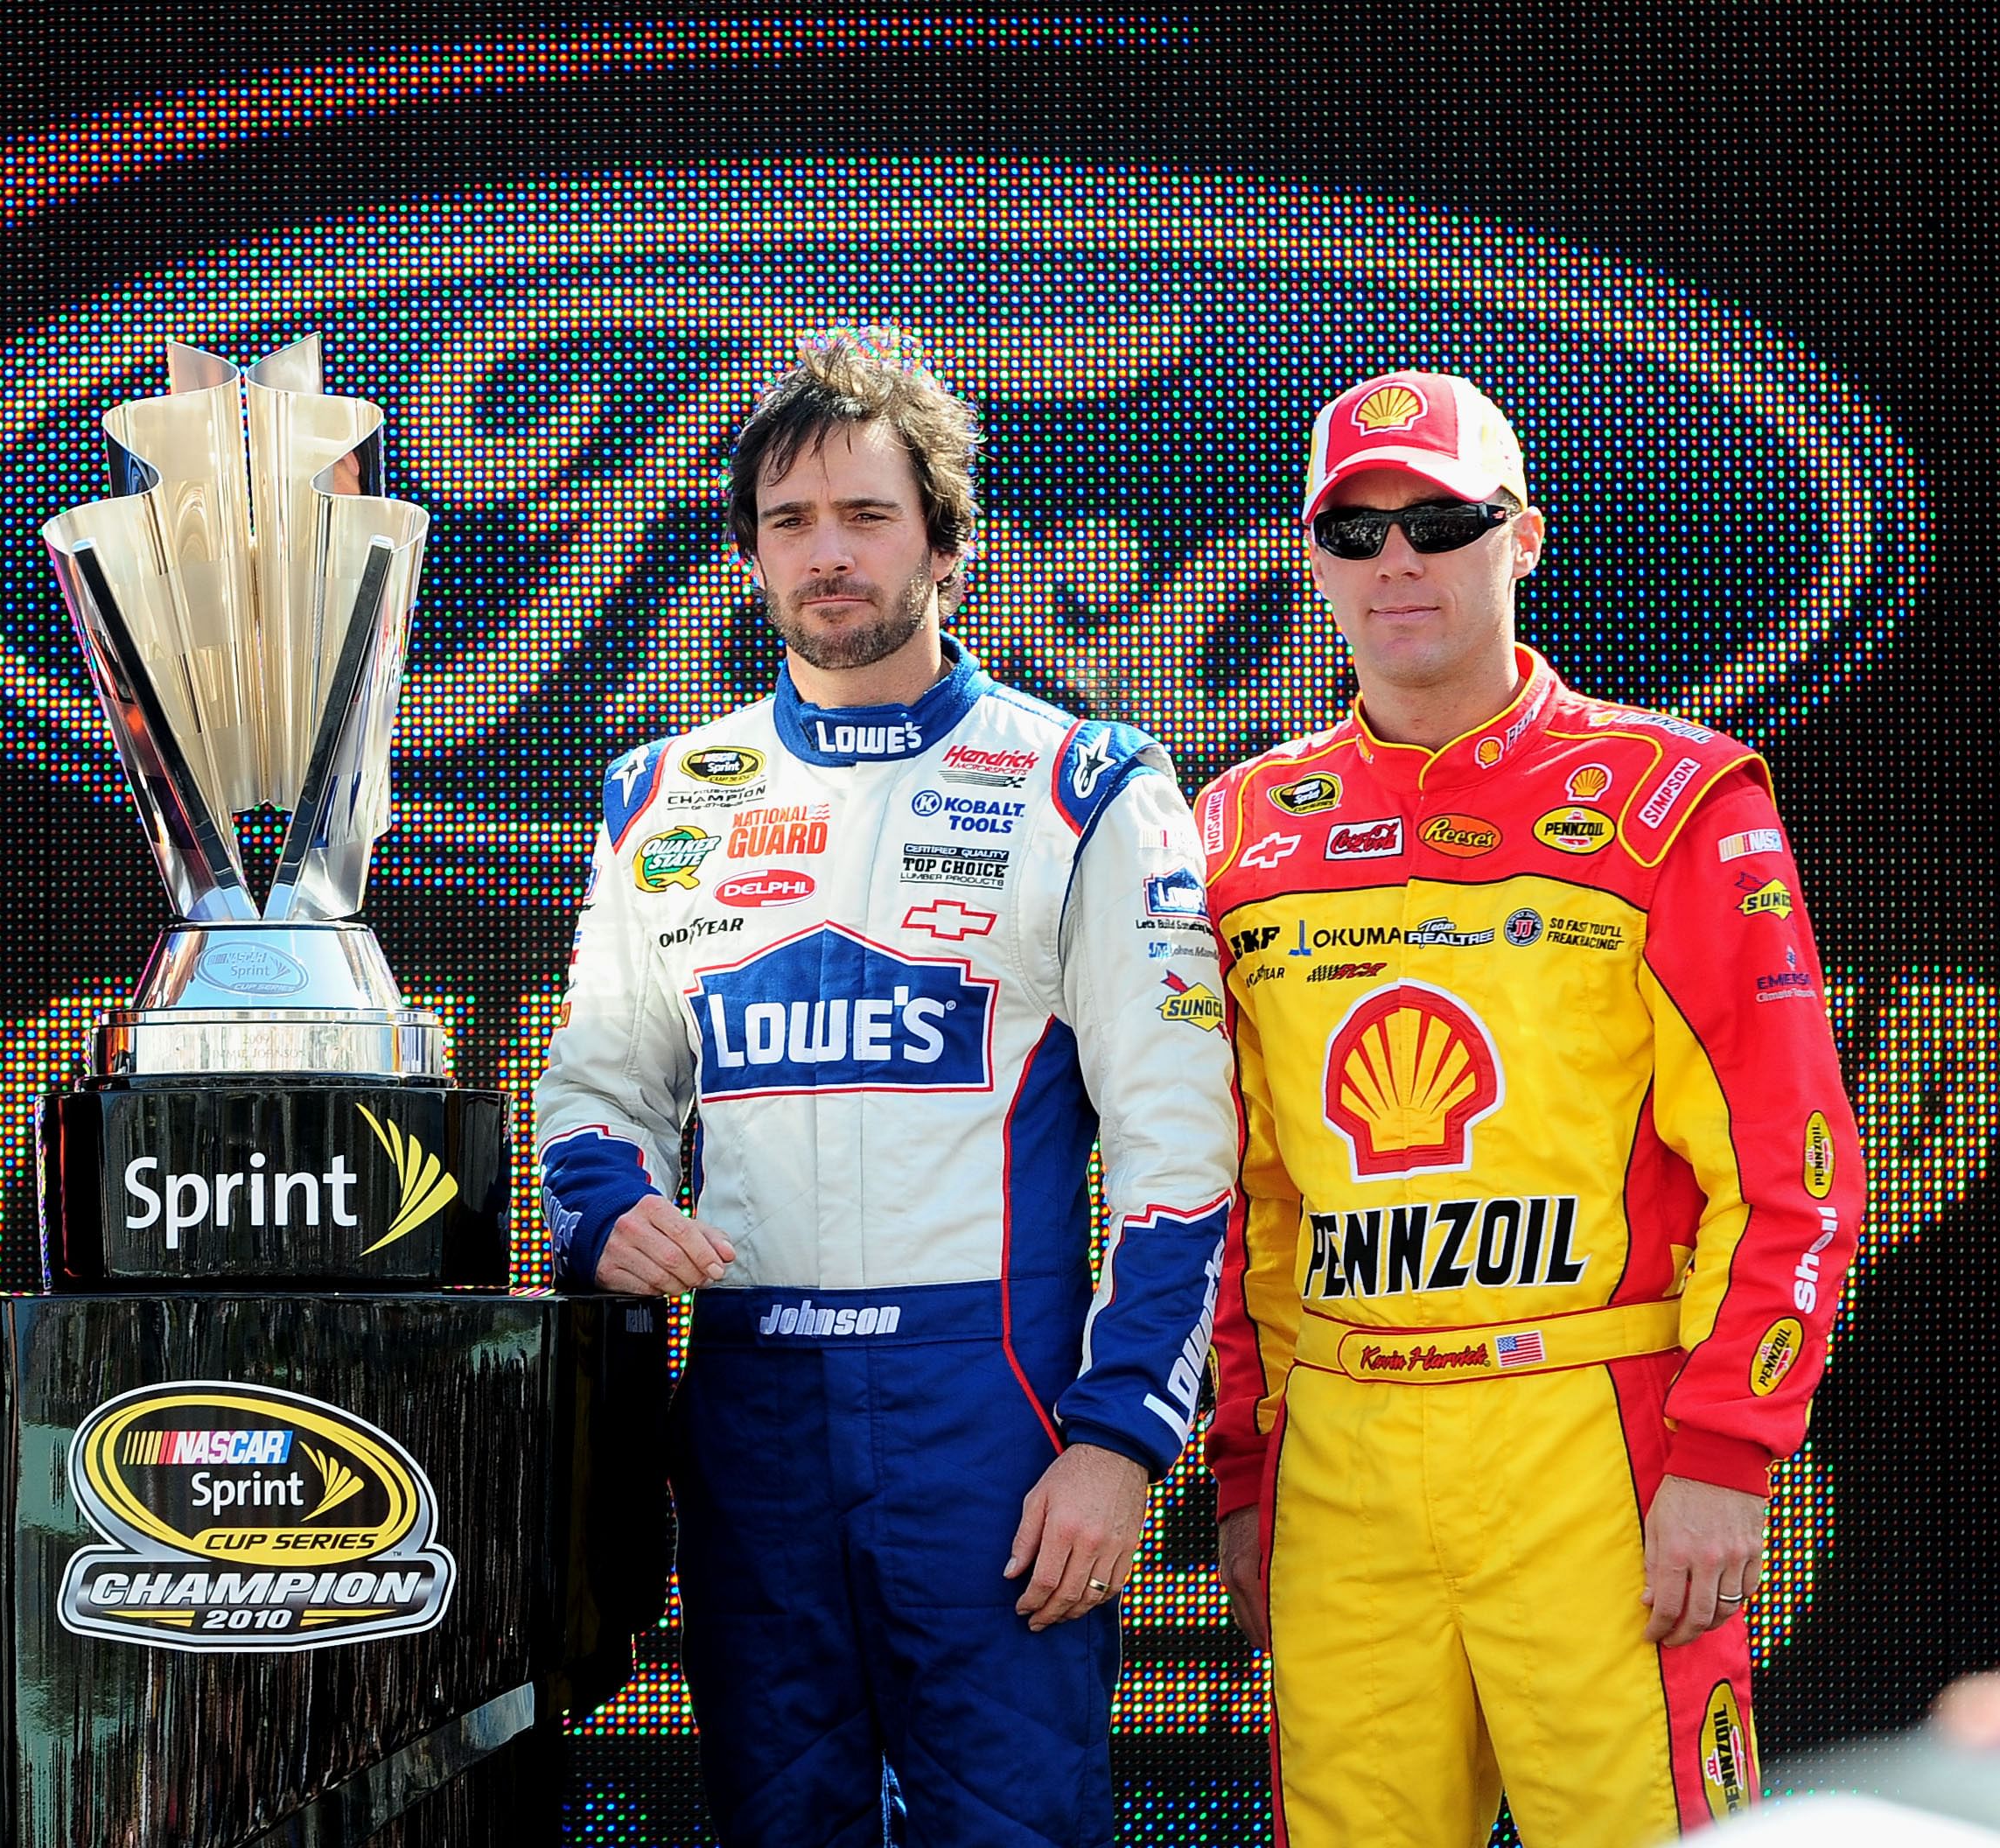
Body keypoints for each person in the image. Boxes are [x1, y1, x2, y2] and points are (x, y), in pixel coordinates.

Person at [533, 327, 1237, 1846]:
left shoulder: (1089, 785)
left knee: (1017, 1831)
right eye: (791, 522)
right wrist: (610, 1211)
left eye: (866, 516)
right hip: (749, 1408)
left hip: (991, 1413)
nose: (828, 555)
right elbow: (598, 1090)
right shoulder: (666, 797)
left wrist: (1122, 1441)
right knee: (777, 1825)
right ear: (751, 558)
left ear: (948, 550)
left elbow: (1184, 1151)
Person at [1199, 369, 1865, 1845]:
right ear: (1312, 564)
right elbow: (1238, 1201)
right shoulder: (1236, 830)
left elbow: (1792, 1172)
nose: (1399, 565)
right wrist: (1247, 1467)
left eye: (1439, 521)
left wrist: (1727, 1457)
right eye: (1355, 534)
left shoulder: (1674, 798)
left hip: (1598, 1441)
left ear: (1524, 538)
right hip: (1345, 1464)